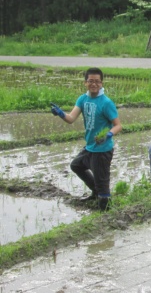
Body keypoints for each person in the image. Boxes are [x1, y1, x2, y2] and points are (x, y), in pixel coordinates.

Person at [50, 67, 122, 211]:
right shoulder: (83, 99)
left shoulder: (106, 103)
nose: (93, 84)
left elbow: (118, 125)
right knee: (76, 165)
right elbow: (71, 119)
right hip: (90, 146)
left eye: (97, 81)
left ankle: (105, 210)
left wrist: (109, 134)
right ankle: (96, 192)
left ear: (101, 83)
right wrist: (60, 113)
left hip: (102, 150)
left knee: (103, 184)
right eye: (90, 81)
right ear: (85, 82)